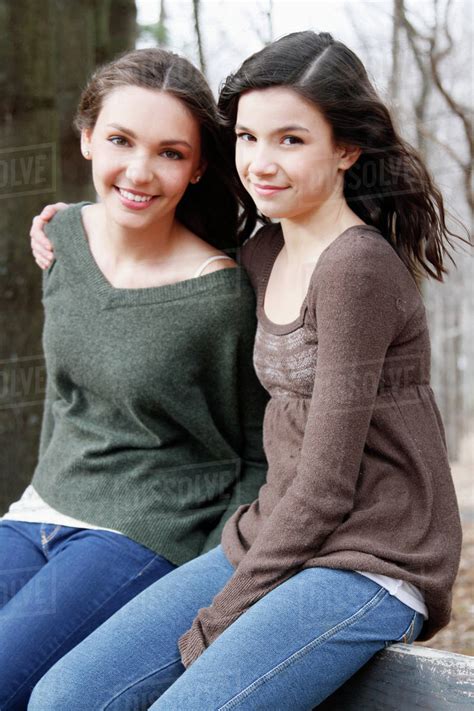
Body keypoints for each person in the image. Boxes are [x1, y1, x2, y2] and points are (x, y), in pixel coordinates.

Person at [29, 31, 464, 711]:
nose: (261, 161)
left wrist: (221, 613)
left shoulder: (356, 269)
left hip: (371, 556)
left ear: (346, 149)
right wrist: (68, 228)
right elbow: (158, 240)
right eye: (249, 137)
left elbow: (325, 486)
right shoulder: (262, 248)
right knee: (65, 695)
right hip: (271, 530)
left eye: (290, 140)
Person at [0, 47, 268, 710]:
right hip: (40, 507)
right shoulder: (61, 236)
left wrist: (215, 577)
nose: (140, 172)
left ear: (200, 164)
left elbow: (258, 449)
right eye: (120, 140)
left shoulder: (220, 298)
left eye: (171, 152)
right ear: (86, 136)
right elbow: (72, 396)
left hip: (145, 531)